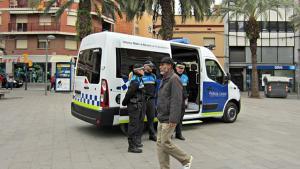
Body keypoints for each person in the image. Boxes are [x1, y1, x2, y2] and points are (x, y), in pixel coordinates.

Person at [156, 57, 193, 169]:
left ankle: (186, 159)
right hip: (161, 116)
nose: (160, 66)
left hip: (168, 118)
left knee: (165, 143)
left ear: (170, 66)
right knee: (160, 144)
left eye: (163, 64)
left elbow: (176, 100)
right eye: (160, 64)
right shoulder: (165, 78)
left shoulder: (174, 78)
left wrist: (173, 119)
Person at [122, 64, 145, 153]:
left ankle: (135, 143)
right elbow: (129, 93)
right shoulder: (135, 81)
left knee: (136, 125)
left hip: (137, 105)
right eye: (142, 69)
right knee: (133, 126)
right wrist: (124, 102)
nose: (144, 71)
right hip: (134, 106)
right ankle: (131, 147)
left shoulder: (139, 79)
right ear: (138, 70)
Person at [142, 60, 157, 142]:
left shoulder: (153, 76)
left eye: (152, 66)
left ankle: (152, 135)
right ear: (144, 66)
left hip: (151, 100)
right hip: (143, 100)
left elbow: (156, 88)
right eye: (150, 66)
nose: (151, 68)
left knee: (151, 118)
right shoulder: (141, 75)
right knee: (140, 119)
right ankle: (137, 137)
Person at [174, 62, 189, 141]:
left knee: (180, 118)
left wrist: (186, 98)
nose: (181, 69)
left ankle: (178, 134)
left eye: (182, 68)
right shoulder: (172, 76)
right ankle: (169, 134)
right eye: (179, 67)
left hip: (182, 100)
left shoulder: (185, 77)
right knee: (173, 118)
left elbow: (187, 89)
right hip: (174, 100)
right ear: (176, 68)